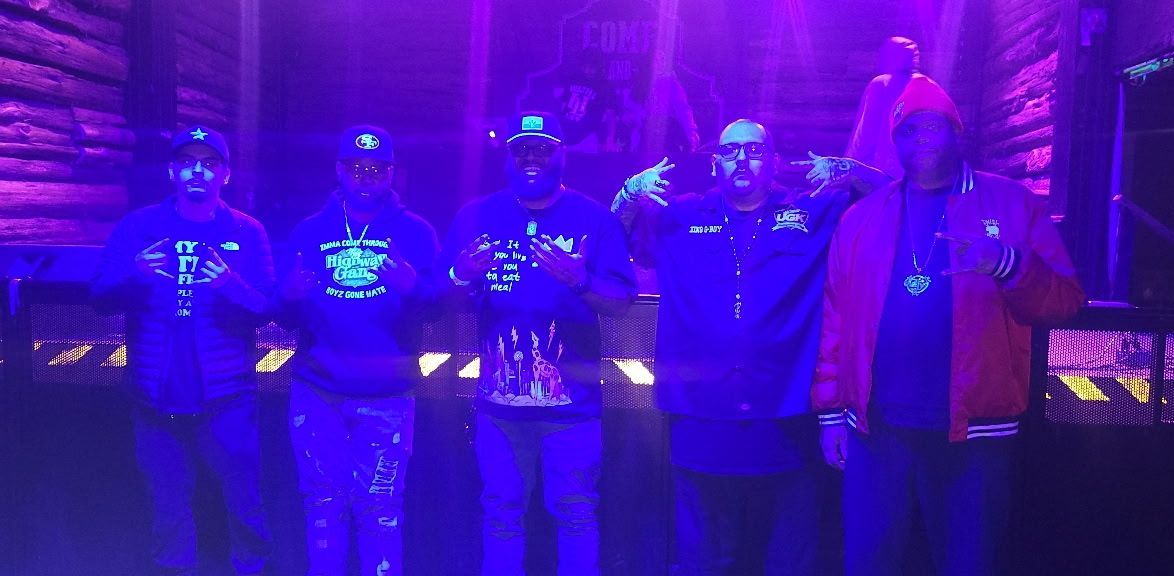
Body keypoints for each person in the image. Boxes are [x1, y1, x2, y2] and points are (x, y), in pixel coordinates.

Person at [813, 76, 1085, 575]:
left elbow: (1065, 301)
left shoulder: (1011, 202)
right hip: (876, 431)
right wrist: (831, 413)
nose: (921, 138)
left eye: (932, 126)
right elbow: (836, 318)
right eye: (908, 130)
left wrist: (1006, 262)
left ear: (957, 131)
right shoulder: (862, 217)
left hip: (975, 434)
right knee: (869, 564)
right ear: (894, 143)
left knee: (969, 564)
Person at [611, 118, 888, 574]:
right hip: (701, 414)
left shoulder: (810, 209)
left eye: (755, 150)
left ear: (774, 162)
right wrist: (628, 193)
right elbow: (606, 241)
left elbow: (896, 200)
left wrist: (851, 170)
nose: (742, 158)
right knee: (704, 556)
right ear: (715, 163)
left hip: (787, 412)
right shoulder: (679, 216)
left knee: (789, 555)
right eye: (729, 150)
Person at [442, 112, 637, 575]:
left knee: (576, 514)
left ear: (561, 156)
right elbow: (439, 299)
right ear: (507, 158)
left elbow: (622, 301)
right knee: (501, 516)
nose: (532, 158)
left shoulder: (594, 219)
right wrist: (460, 275)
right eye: (522, 150)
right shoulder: (477, 216)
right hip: (499, 411)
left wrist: (580, 281)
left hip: (573, 410)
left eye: (543, 149)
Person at [90, 124, 274, 576]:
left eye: (209, 163)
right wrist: (133, 272)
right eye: (187, 162)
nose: (197, 171)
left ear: (225, 175)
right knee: (167, 511)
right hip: (154, 400)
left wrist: (230, 284)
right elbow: (99, 298)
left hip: (228, 398)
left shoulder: (246, 231)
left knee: (245, 506)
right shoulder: (140, 227)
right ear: (172, 171)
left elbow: (268, 309)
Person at [278, 125, 440, 576]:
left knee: (380, 509)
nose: (365, 177)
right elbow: (283, 314)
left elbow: (437, 309)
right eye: (356, 168)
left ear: (392, 173)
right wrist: (288, 296)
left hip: (388, 396)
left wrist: (412, 286)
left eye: (376, 169)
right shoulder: (310, 231)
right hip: (318, 391)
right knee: (322, 506)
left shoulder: (415, 232)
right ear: (339, 171)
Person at [845, 36, 926, 178]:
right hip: (917, 169)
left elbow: (865, 131)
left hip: (883, 169)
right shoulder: (927, 85)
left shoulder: (881, 84)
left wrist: (850, 165)